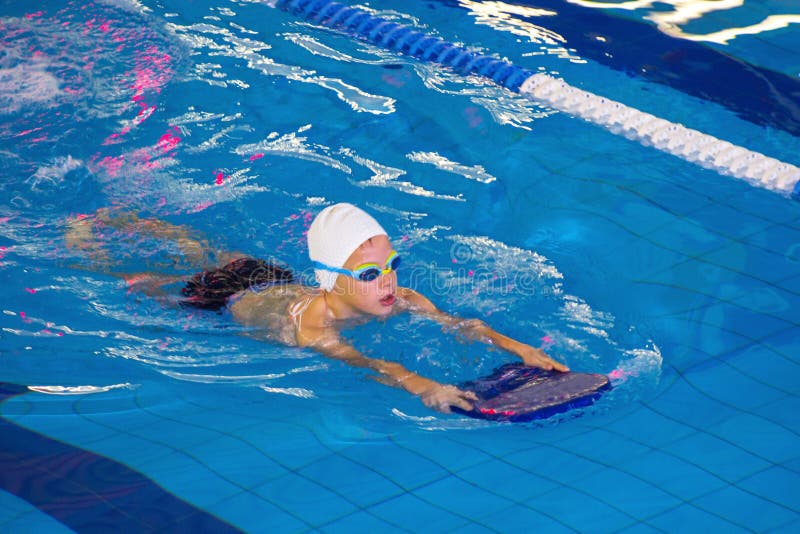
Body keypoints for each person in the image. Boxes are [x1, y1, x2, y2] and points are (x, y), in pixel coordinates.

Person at [67, 203, 568, 413]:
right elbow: (366, 363)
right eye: (370, 275)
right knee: (154, 284)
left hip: (272, 278)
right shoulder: (314, 327)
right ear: (334, 281)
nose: (389, 281)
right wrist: (421, 384)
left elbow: (464, 325)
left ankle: (144, 224)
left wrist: (517, 347)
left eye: (391, 265)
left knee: (205, 250)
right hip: (227, 300)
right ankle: (89, 246)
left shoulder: (400, 299)